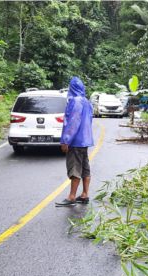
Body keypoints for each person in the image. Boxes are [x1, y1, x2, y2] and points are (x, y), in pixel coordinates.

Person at [56, 77, 94, 207]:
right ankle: (84, 194)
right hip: (85, 140)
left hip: (76, 141)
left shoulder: (74, 101)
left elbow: (73, 121)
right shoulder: (87, 102)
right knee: (85, 168)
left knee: (75, 168)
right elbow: (89, 120)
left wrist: (66, 140)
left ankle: (72, 196)